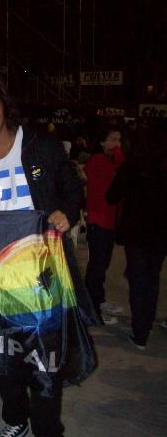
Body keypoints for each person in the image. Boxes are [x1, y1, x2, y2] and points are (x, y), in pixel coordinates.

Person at [0, 70, 92, 437]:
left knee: (45, 362)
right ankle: (15, 420)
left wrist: (68, 212)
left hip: (44, 274)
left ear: (4, 104)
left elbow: (72, 190)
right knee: (5, 354)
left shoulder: (40, 146)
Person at [106, 125, 167, 349]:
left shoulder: (131, 167)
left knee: (138, 280)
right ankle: (147, 322)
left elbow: (112, 196)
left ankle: (140, 332)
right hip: (160, 232)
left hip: (136, 231)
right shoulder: (162, 167)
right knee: (152, 277)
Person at [84, 125, 125, 324]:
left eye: (119, 140)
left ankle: (98, 301)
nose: (117, 144)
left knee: (102, 265)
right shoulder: (98, 161)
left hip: (109, 222)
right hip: (98, 221)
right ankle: (91, 308)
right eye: (113, 139)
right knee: (96, 267)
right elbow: (111, 188)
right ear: (102, 142)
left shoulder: (109, 160)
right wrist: (118, 156)